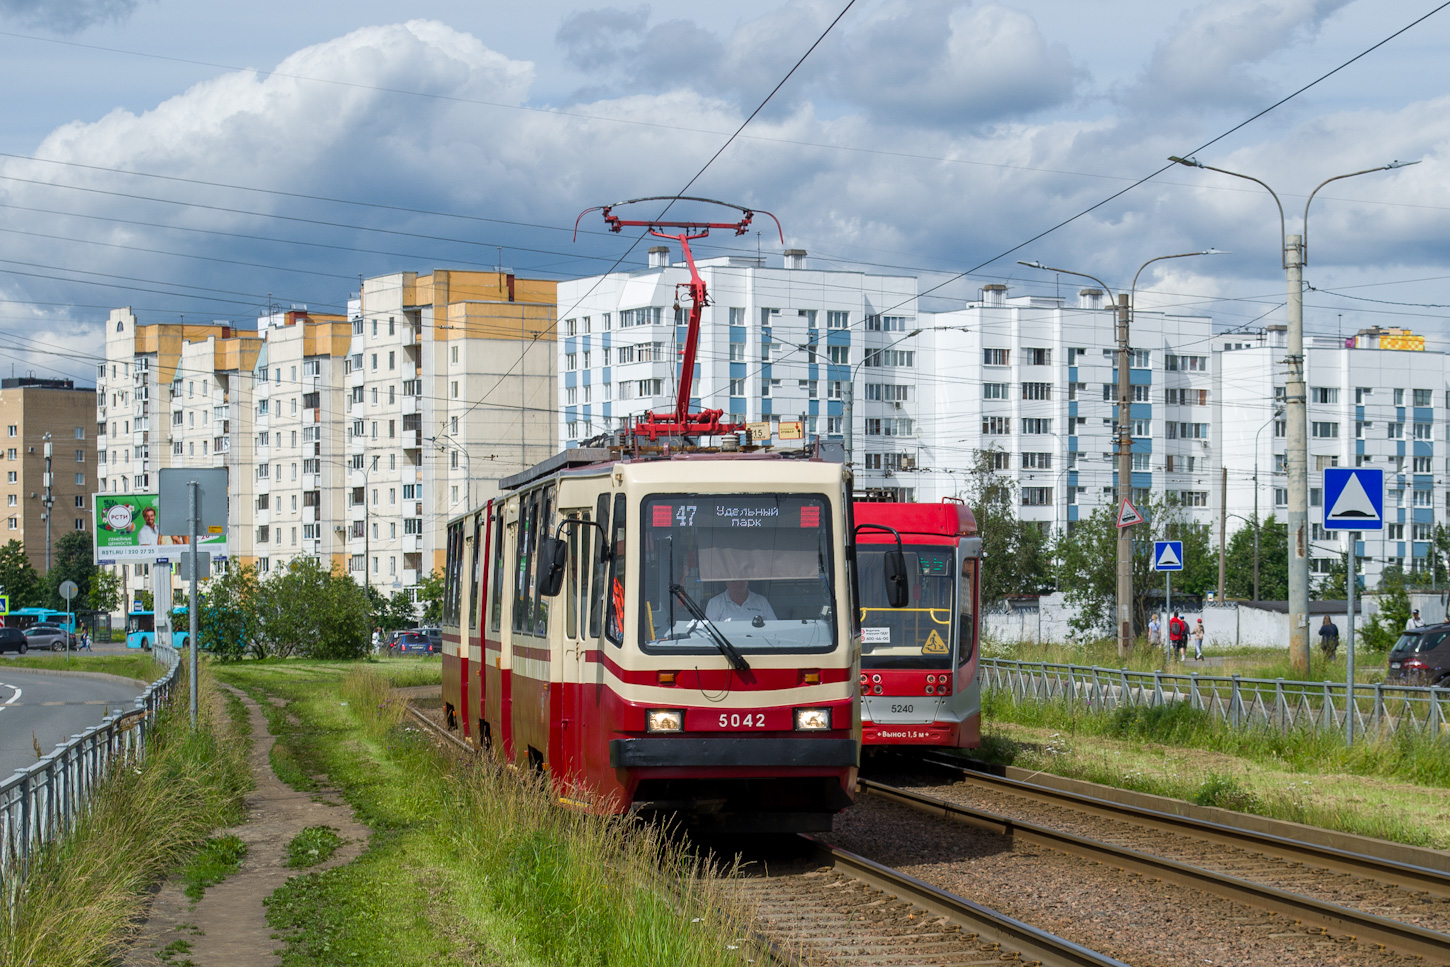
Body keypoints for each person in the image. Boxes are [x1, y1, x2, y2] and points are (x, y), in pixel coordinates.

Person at [705, 580, 777, 622]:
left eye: (741, 579)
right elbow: (709, 633)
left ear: (747, 581)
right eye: (734, 581)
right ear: (727, 582)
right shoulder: (715, 603)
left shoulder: (761, 601)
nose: (738, 583)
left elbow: (774, 628)